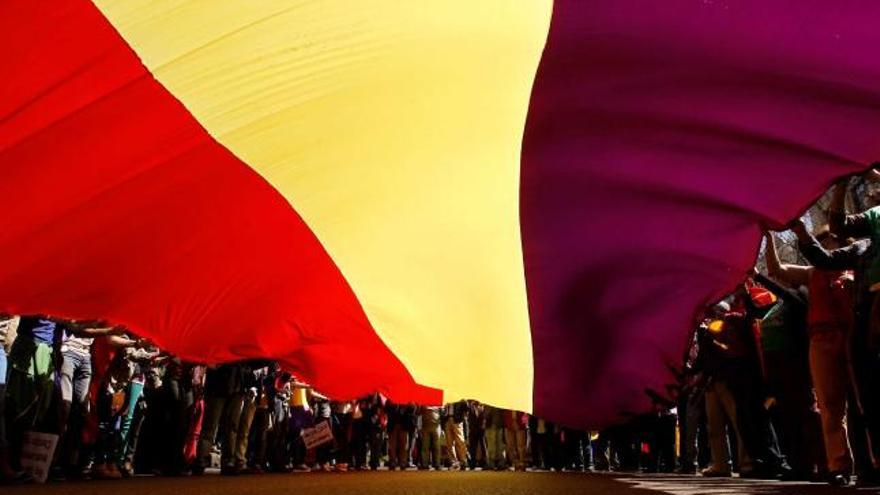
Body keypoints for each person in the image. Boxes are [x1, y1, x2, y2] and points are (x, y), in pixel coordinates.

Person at [766, 228, 861, 486]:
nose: (825, 248)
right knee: (830, 406)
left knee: (864, 403)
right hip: (820, 341)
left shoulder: (857, 267)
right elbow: (777, 270)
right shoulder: (811, 273)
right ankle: (838, 466)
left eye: (831, 242)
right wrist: (769, 239)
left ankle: (869, 463)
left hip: (853, 338)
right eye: (822, 243)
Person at [443, 401, 468, 470]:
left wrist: (462, 418)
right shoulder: (447, 398)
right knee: (449, 443)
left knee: (460, 441)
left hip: (457, 420)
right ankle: (454, 463)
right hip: (447, 420)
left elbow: (466, 407)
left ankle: (463, 461)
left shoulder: (460, 398)